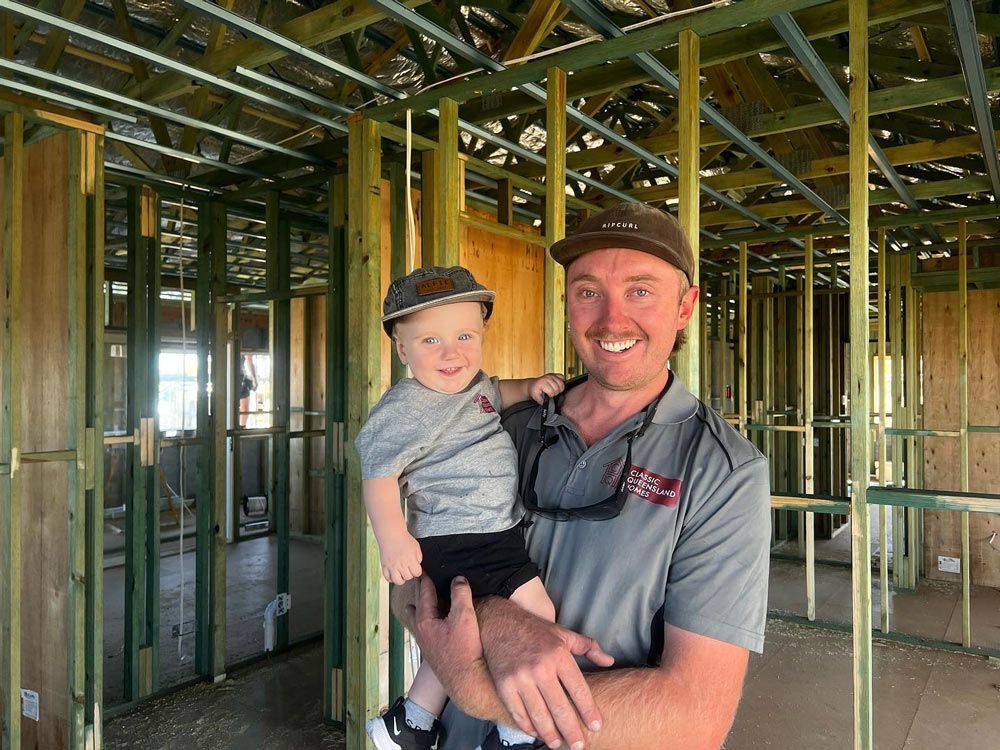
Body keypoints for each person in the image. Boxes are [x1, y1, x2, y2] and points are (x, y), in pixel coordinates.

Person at [392, 203, 772, 750]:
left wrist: (475, 684)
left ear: (686, 307)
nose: (611, 320)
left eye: (641, 291)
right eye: (588, 291)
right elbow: (405, 579)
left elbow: (694, 717)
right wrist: (495, 619)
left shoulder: (722, 473)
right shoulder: (502, 425)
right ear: (567, 302)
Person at [356, 266, 574, 750]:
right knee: (535, 613)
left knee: (461, 634)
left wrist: (531, 385)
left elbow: (498, 393)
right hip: (457, 535)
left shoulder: (473, 386)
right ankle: (514, 731)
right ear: (401, 348)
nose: (451, 352)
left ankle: (411, 722)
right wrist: (392, 537)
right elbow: (376, 473)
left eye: (464, 335)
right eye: (430, 341)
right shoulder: (404, 407)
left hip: (492, 531)